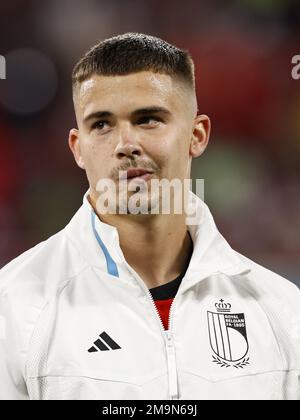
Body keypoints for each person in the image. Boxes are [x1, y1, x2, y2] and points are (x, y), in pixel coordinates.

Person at [0, 33, 299, 401]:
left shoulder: (282, 310)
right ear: (78, 148)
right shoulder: (13, 305)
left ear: (197, 135)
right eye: (102, 125)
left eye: (148, 119)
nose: (126, 144)